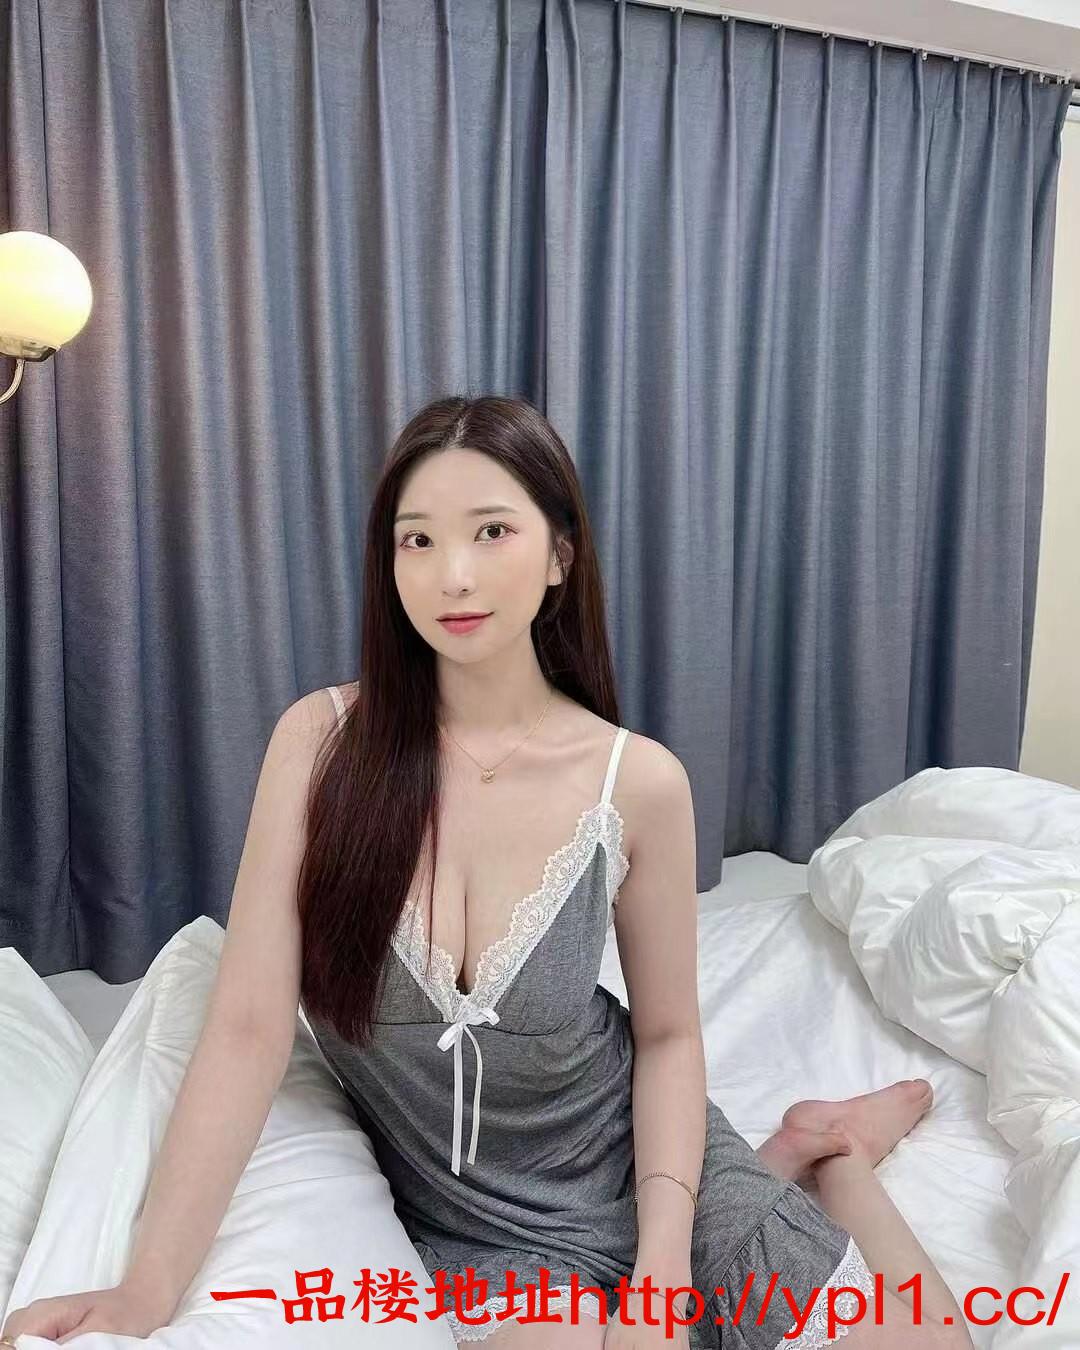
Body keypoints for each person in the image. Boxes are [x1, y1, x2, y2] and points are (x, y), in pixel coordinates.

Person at [2, 396, 973, 1349]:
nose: (453, 575)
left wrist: (662, 1273)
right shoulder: (319, 746)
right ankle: (800, 1155)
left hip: (650, 1169)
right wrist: (146, 1288)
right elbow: (248, 1029)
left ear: (559, 557)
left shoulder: (636, 781)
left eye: (492, 531)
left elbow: (669, 1036)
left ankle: (836, 1156)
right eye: (418, 540)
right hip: (481, 1227)